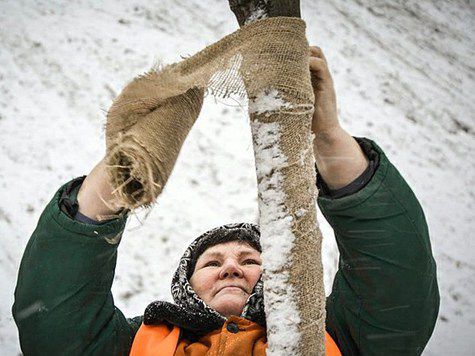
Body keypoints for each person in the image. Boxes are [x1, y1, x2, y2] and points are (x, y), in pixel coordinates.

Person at [12, 42, 439, 355]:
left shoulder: (343, 336)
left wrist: (327, 137)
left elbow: (396, 281)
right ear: (185, 285)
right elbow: (54, 313)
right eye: (212, 262)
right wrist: (127, 169)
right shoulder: (128, 346)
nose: (231, 266)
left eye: (251, 260)